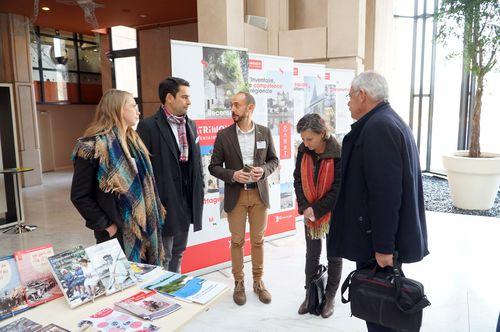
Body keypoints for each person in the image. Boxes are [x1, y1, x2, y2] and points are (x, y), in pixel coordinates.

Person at [328, 71, 429, 332]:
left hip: (377, 242)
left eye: (350, 96)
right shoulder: (387, 120)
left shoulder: (378, 128)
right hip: (378, 238)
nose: (348, 102)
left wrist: (383, 247)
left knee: (381, 308)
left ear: (363, 95)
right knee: (382, 306)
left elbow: (385, 194)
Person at [71, 89, 165, 266]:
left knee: (145, 283)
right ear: (118, 109)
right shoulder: (92, 146)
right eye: (133, 106)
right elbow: (79, 196)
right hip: (116, 233)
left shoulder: (134, 142)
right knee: (121, 283)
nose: (138, 111)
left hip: (144, 228)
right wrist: (108, 227)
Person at [209, 91, 279, 306]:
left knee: (258, 240)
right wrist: (233, 175)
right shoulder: (224, 135)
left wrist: (263, 171)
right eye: (231, 105)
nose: (233, 109)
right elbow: (213, 167)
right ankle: (239, 283)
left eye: (237, 105)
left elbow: (274, 161)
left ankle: (258, 282)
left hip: (259, 195)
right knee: (237, 241)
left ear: (250, 108)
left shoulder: (264, 133)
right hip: (236, 195)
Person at [137, 77, 204, 273]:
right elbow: (142, 172)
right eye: (184, 97)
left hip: (186, 201)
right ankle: (162, 297)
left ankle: (175, 288)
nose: (188, 102)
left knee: (179, 251)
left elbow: (196, 163)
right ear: (169, 98)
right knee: (162, 255)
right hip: (163, 204)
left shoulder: (191, 125)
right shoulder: (148, 126)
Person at [293, 113, 343, 318]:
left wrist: (318, 209)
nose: (306, 143)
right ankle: (310, 294)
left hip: (333, 212)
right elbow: (297, 179)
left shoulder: (338, 152)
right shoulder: (303, 150)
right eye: (303, 139)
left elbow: (338, 188)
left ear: (322, 134)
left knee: (334, 255)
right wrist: (305, 206)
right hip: (310, 213)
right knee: (312, 254)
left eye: (309, 139)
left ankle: (330, 297)